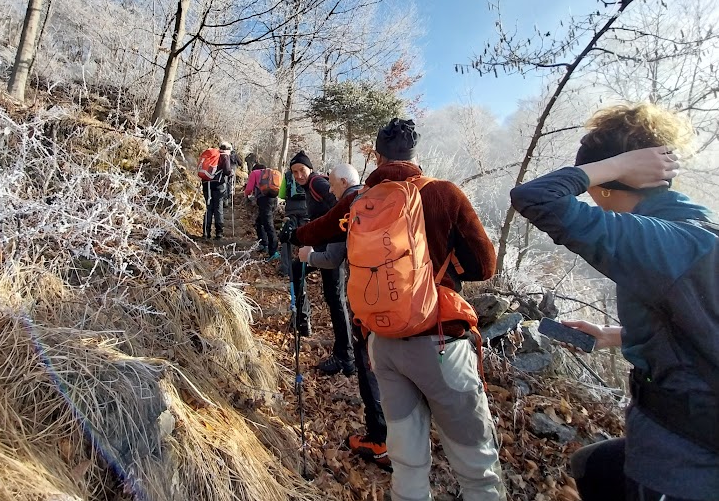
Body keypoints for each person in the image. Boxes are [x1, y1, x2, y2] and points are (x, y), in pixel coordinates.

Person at [286, 119, 505, 501]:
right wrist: (445, 270)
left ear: (378, 155)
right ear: (415, 155)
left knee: (407, 463)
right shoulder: (444, 193)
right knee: (478, 471)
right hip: (439, 341)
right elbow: (486, 266)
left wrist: (293, 235)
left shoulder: (359, 199)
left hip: (382, 342)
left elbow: (319, 229)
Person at [510, 103, 718, 501]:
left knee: (596, 471)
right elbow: (697, 320)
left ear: (608, 183)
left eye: (595, 187)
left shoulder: (661, 240)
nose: (592, 197)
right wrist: (614, 335)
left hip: (684, 461)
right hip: (684, 431)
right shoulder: (694, 224)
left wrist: (613, 166)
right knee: (592, 465)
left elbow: (534, 197)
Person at [297, 163, 390, 470]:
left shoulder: (349, 205)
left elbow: (333, 256)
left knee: (369, 366)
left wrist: (307, 254)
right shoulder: (381, 200)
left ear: (341, 182)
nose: (331, 192)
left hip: (367, 298)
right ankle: (404, 440)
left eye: (333, 186)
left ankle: (380, 442)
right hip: (399, 294)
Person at [288, 150, 354, 375]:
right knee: (299, 270)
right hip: (325, 246)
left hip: (333, 248)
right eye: (294, 172)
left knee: (336, 299)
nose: (298, 175)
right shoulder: (309, 187)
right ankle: (303, 319)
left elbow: (339, 207)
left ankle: (346, 356)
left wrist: (321, 239)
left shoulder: (317, 182)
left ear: (310, 168)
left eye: (301, 170)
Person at [277, 164, 309, 277]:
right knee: (305, 238)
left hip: (291, 210)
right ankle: (304, 268)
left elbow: (281, 194)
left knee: (287, 237)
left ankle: (285, 268)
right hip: (306, 208)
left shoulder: (288, 175)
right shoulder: (307, 174)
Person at [244, 162, 279, 261]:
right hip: (273, 199)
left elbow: (249, 188)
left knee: (268, 225)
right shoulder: (270, 174)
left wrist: (246, 195)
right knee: (259, 222)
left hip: (263, 200)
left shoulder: (254, 173)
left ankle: (273, 252)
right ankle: (263, 243)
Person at [202, 143, 232, 240]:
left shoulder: (211, 155)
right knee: (218, 208)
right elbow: (227, 171)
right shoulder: (224, 156)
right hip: (218, 185)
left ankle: (206, 232)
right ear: (228, 149)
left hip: (206, 184)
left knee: (208, 208)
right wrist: (231, 173)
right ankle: (219, 233)